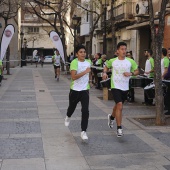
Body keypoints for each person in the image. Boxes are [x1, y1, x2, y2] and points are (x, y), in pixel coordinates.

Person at [102, 42, 139, 137]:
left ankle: (112, 117)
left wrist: (130, 74)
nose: (124, 51)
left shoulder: (130, 61)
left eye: (125, 49)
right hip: (115, 86)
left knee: (118, 106)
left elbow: (137, 71)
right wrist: (105, 73)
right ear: (117, 51)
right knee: (120, 105)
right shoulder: (113, 61)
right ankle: (119, 128)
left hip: (125, 87)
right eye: (122, 49)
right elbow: (106, 66)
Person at [64, 44, 92, 140]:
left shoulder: (89, 62)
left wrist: (90, 81)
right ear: (77, 54)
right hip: (75, 90)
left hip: (85, 90)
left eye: (84, 52)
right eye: (81, 52)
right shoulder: (74, 62)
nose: (83, 54)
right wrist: (85, 72)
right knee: (71, 108)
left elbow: (90, 74)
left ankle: (83, 131)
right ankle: (68, 116)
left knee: (85, 111)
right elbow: (73, 77)